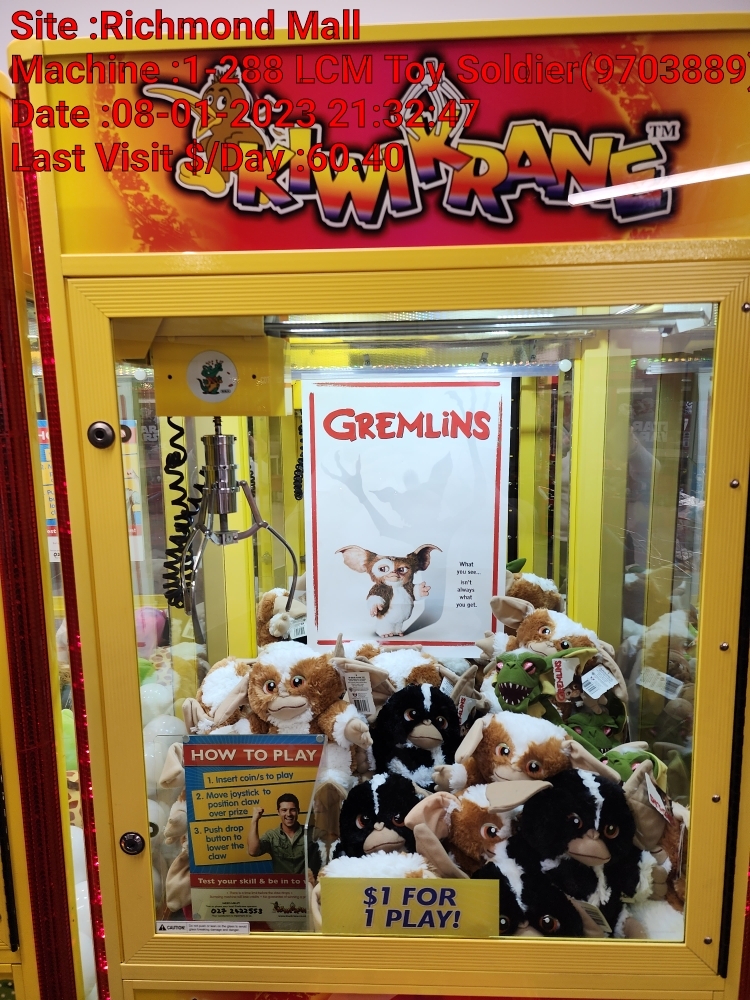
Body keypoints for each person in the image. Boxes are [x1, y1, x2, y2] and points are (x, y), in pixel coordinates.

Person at [247, 793, 305, 874]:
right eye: (284, 810)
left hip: (307, 882)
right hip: (283, 882)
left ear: (298, 811)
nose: (288, 814)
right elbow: (253, 852)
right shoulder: (272, 836)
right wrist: (254, 820)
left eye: (292, 810)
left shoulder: (310, 833)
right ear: (278, 812)